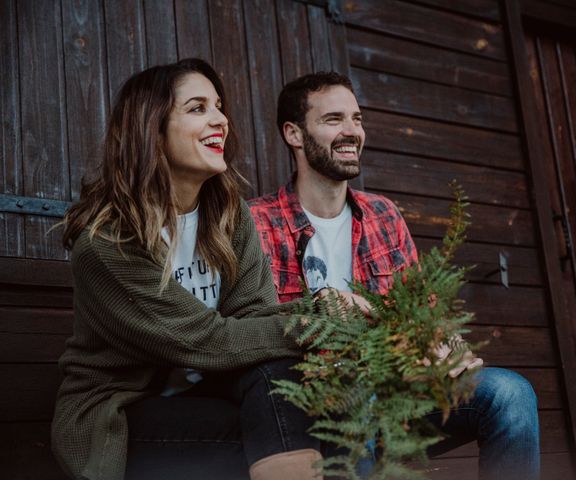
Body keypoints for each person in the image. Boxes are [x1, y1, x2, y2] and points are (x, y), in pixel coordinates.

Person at [248, 71, 541, 480]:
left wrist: (444, 347)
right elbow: (257, 327)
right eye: (334, 120)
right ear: (294, 134)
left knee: (510, 393)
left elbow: (423, 313)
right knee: (356, 392)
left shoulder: (384, 214)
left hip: (402, 390)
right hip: (319, 406)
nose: (352, 131)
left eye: (358, 119)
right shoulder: (255, 222)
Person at [51, 59, 322, 480]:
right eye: (198, 108)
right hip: (123, 411)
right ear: (152, 128)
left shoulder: (230, 216)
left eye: (218, 107)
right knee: (282, 428)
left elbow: (254, 321)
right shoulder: (106, 244)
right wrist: (323, 319)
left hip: (211, 388)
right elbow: (209, 342)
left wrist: (328, 316)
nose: (220, 120)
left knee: (280, 380)